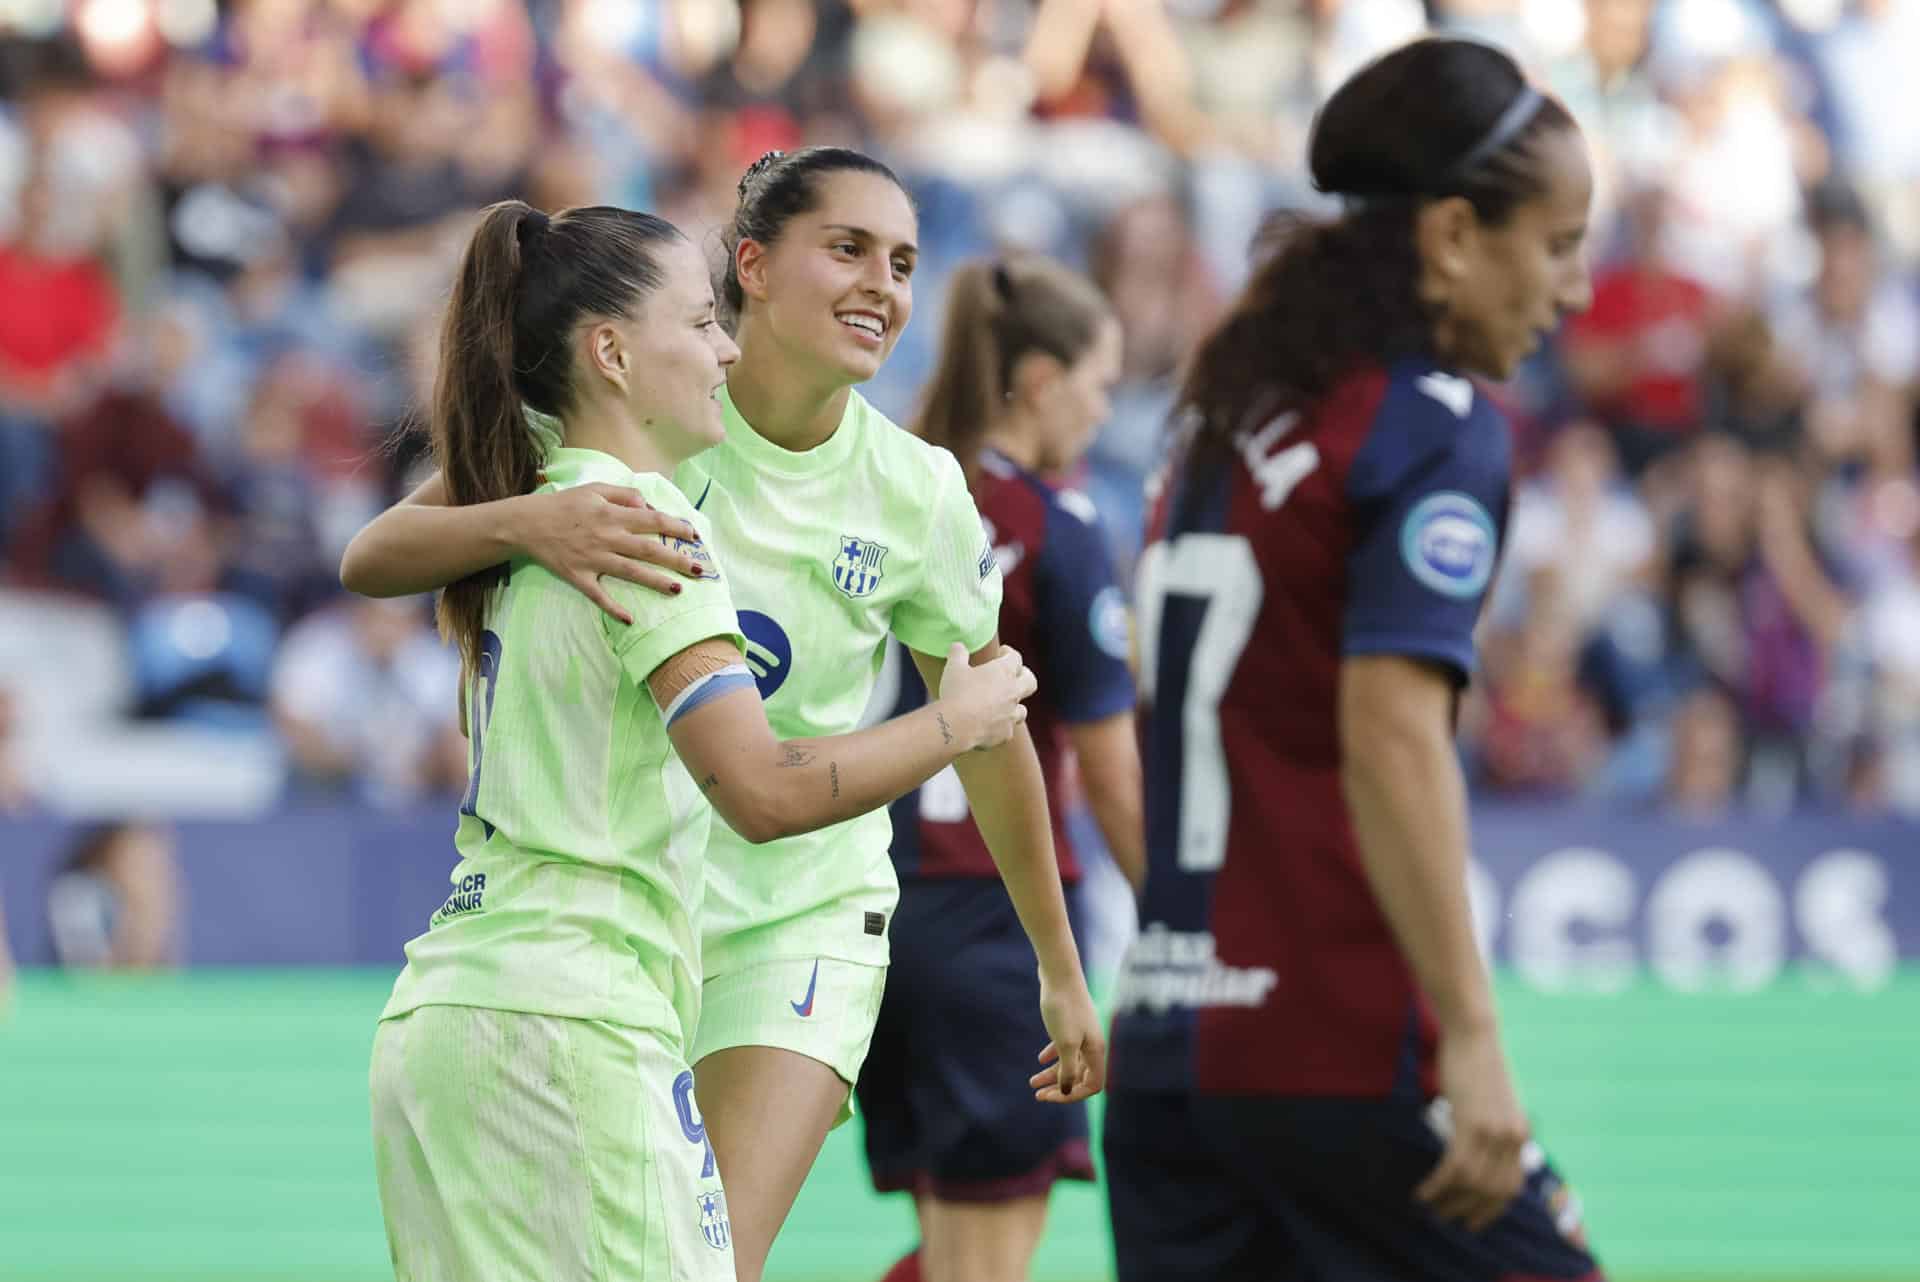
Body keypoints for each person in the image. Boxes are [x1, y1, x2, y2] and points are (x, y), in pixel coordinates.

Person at [341, 150, 1105, 1282]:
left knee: (710, 1261)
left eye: (902, 261)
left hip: (796, 911)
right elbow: (375, 552)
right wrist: (530, 526)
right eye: (847, 248)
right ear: (750, 266)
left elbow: (996, 740)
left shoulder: (915, 490)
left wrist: (1060, 963)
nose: (883, 285)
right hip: (645, 906)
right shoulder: (629, 435)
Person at [1088, 38, 1605, 1282]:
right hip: (1337, 1049)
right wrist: (1472, 1039)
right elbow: (1388, 735)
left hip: (1169, 1049)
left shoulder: (1227, 418)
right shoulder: (1430, 426)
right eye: (1556, 241)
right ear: (1450, 238)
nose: (1575, 288)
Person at [858, 254, 1142, 1282]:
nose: (1105, 412)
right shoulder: (1053, 524)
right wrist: (1182, 921)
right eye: (1100, 385)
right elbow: (1109, 771)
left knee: (949, 1254)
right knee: (983, 1264)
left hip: (871, 903)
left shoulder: (892, 488)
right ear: (1038, 378)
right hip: (991, 915)